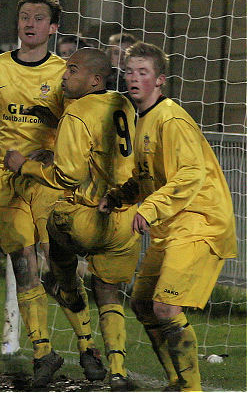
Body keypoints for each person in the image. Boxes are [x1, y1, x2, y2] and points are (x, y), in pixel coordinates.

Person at [0, 0, 106, 388]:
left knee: (58, 262)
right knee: (23, 265)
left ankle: (87, 345)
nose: (29, 23)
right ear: (18, 25)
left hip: (47, 179)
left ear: (52, 28)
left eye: (38, 18)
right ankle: (42, 353)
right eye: (24, 17)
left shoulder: (66, 73)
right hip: (4, 180)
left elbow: (86, 122)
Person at [98, 42, 236, 392]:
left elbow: (190, 174)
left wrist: (149, 208)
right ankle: (176, 381)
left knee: (164, 307)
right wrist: (122, 195)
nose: (134, 78)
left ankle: (191, 389)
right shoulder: (142, 117)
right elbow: (149, 175)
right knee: (143, 303)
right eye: (130, 71)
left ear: (160, 80)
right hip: (174, 224)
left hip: (200, 221)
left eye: (143, 73)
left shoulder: (171, 118)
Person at [2, 47, 140, 390]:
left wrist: (25, 166)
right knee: (108, 291)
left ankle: (72, 308)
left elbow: (66, 176)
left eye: (73, 70)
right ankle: (118, 371)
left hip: (91, 217)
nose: (65, 75)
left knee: (55, 253)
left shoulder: (78, 112)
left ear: (95, 79)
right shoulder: (125, 105)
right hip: (128, 221)